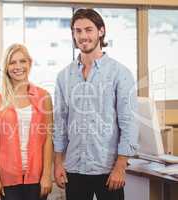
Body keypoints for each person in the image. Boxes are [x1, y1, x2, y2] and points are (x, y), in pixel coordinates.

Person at [53, 8, 139, 200]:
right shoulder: (64, 76)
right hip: (74, 168)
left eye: (88, 30)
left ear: (101, 31)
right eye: (78, 31)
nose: (83, 36)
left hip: (108, 170)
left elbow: (129, 123)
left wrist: (120, 166)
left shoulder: (120, 73)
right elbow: (60, 124)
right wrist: (58, 164)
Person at [0, 43, 53, 200]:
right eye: (12, 62)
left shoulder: (44, 97)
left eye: (22, 61)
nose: (18, 67)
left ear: (29, 63)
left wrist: (46, 175)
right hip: (7, 178)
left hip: (36, 177)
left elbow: (48, 139)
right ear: (6, 67)